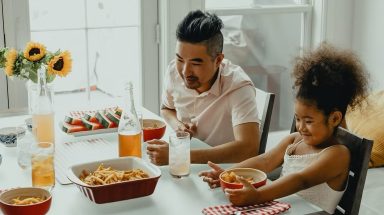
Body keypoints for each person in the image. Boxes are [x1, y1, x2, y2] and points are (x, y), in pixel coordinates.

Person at [199, 43, 369, 214]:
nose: (301, 127)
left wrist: (257, 195)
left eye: (308, 121)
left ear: (334, 118)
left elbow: (301, 180)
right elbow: (265, 161)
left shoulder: (337, 154)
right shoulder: (295, 141)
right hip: (280, 209)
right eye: (298, 118)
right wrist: (228, 173)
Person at [146, 10, 260, 165]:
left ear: (218, 60)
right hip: (187, 168)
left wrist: (180, 155)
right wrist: (178, 126)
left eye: (196, 63)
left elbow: (248, 149)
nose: (185, 71)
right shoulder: (174, 71)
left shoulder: (238, 87)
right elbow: (166, 109)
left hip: (225, 172)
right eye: (180, 59)